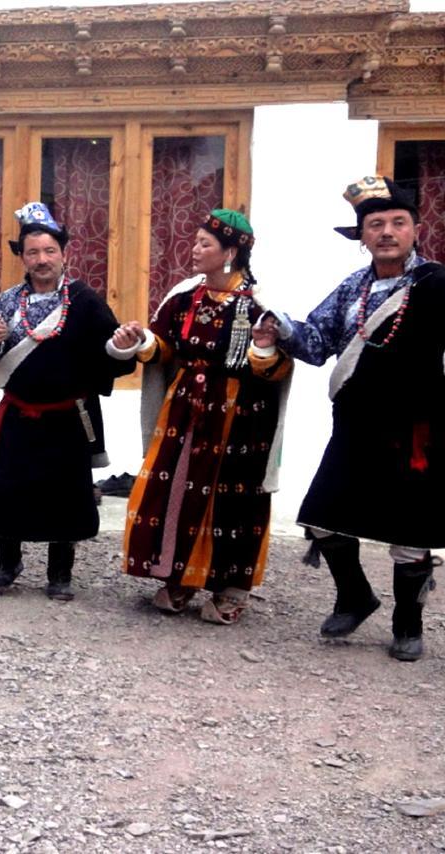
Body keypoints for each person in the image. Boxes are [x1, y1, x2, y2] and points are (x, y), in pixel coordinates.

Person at [256, 176, 445, 661]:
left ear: (414, 230)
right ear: (362, 236)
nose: (386, 231)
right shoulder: (353, 288)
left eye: (396, 222)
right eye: (375, 225)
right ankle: (354, 596)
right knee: (323, 516)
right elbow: (317, 342)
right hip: (357, 425)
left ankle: (407, 623)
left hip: (420, 431)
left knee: (411, 534)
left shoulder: (440, 285)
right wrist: (279, 327)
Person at [108, 210, 291, 624]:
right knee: (177, 491)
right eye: (195, 242)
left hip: (241, 418)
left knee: (232, 500)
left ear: (230, 252)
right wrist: (139, 341)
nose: (194, 250)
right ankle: (180, 576)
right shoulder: (183, 298)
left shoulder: (261, 306)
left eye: (205, 244)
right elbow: (165, 349)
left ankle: (232, 588)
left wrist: (264, 350)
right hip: (186, 411)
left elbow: (277, 369)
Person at [0, 203, 132, 601]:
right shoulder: (6, 302)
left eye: (49, 251)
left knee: (65, 495)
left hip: (67, 416)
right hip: (19, 413)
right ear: (22, 257)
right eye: (33, 252)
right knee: (10, 490)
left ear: (63, 253)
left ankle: (60, 571)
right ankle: (6, 562)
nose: (41, 260)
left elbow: (112, 352)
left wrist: (119, 347)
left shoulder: (85, 301)